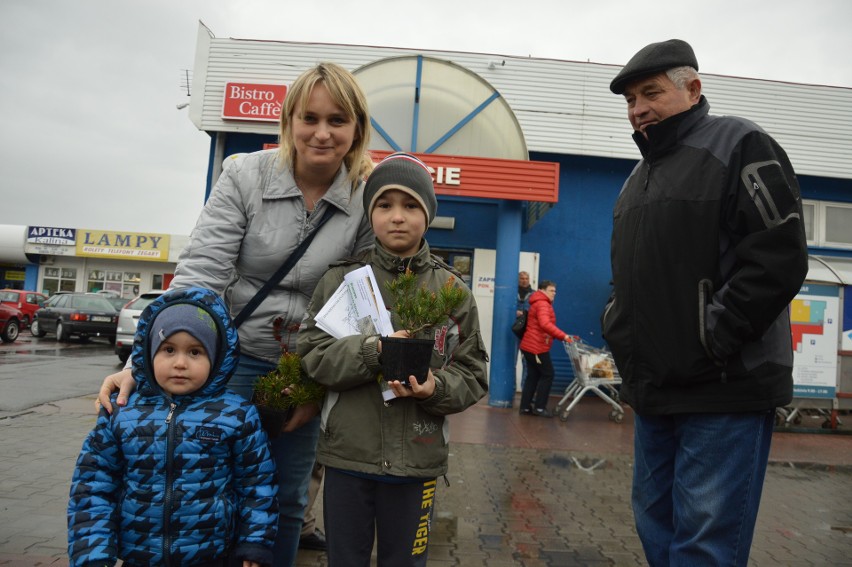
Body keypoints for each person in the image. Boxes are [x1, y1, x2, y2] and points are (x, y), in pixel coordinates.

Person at [97, 62, 375, 566]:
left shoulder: (365, 195)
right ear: (289, 120)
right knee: (208, 486)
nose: (321, 132)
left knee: (288, 499)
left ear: (356, 128)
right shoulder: (245, 175)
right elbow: (199, 276)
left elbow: (360, 302)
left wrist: (319, 385)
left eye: (337, 120)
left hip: (308, 366)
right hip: (233, 358)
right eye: (308, 117)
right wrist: (139, 365)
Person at [602, 39, 809, 566]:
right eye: (630, 100)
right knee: (657, 533)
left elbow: (778, 256)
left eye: (651, 92)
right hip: (655, 391)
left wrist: (712, 336)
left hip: (724, 390)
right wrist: (619, 329)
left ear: (692, 88)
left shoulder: (740, 143)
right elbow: (629, 278)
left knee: (704, 547)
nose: (638, 108)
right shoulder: (637, 179)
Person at [297, 152, 489, 566]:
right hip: (349, 458)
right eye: (384, 205)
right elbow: (313, 354)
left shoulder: (453, 291)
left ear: (429, 212)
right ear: (370, 214)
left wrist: (435, 387)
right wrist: (373, 350)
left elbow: (472, 372)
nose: (397, 217)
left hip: (417, 461)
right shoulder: (341, 281)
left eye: (410, 205)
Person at [68, 287, 278, 567]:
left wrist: (255, 542)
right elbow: (93, 487)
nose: (180, 363)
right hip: (139, 556)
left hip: (211, 556)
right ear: (149, 352)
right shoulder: (121, 412)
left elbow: (257, 485)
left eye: (195, 351)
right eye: (168, 349)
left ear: (216, 358)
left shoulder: (237, 415)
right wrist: (92, 554)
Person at [518, 280, 571, 417]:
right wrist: (563, 336)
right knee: (548, 374)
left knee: (533, 376)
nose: (554, 293)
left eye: (555, 291)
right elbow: (545, 324)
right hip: (537, 347)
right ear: (542, 290)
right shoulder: (542, 304)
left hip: (530, 345)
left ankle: (525, 407)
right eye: (551, 290)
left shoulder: (538, 302)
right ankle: (540, 408)